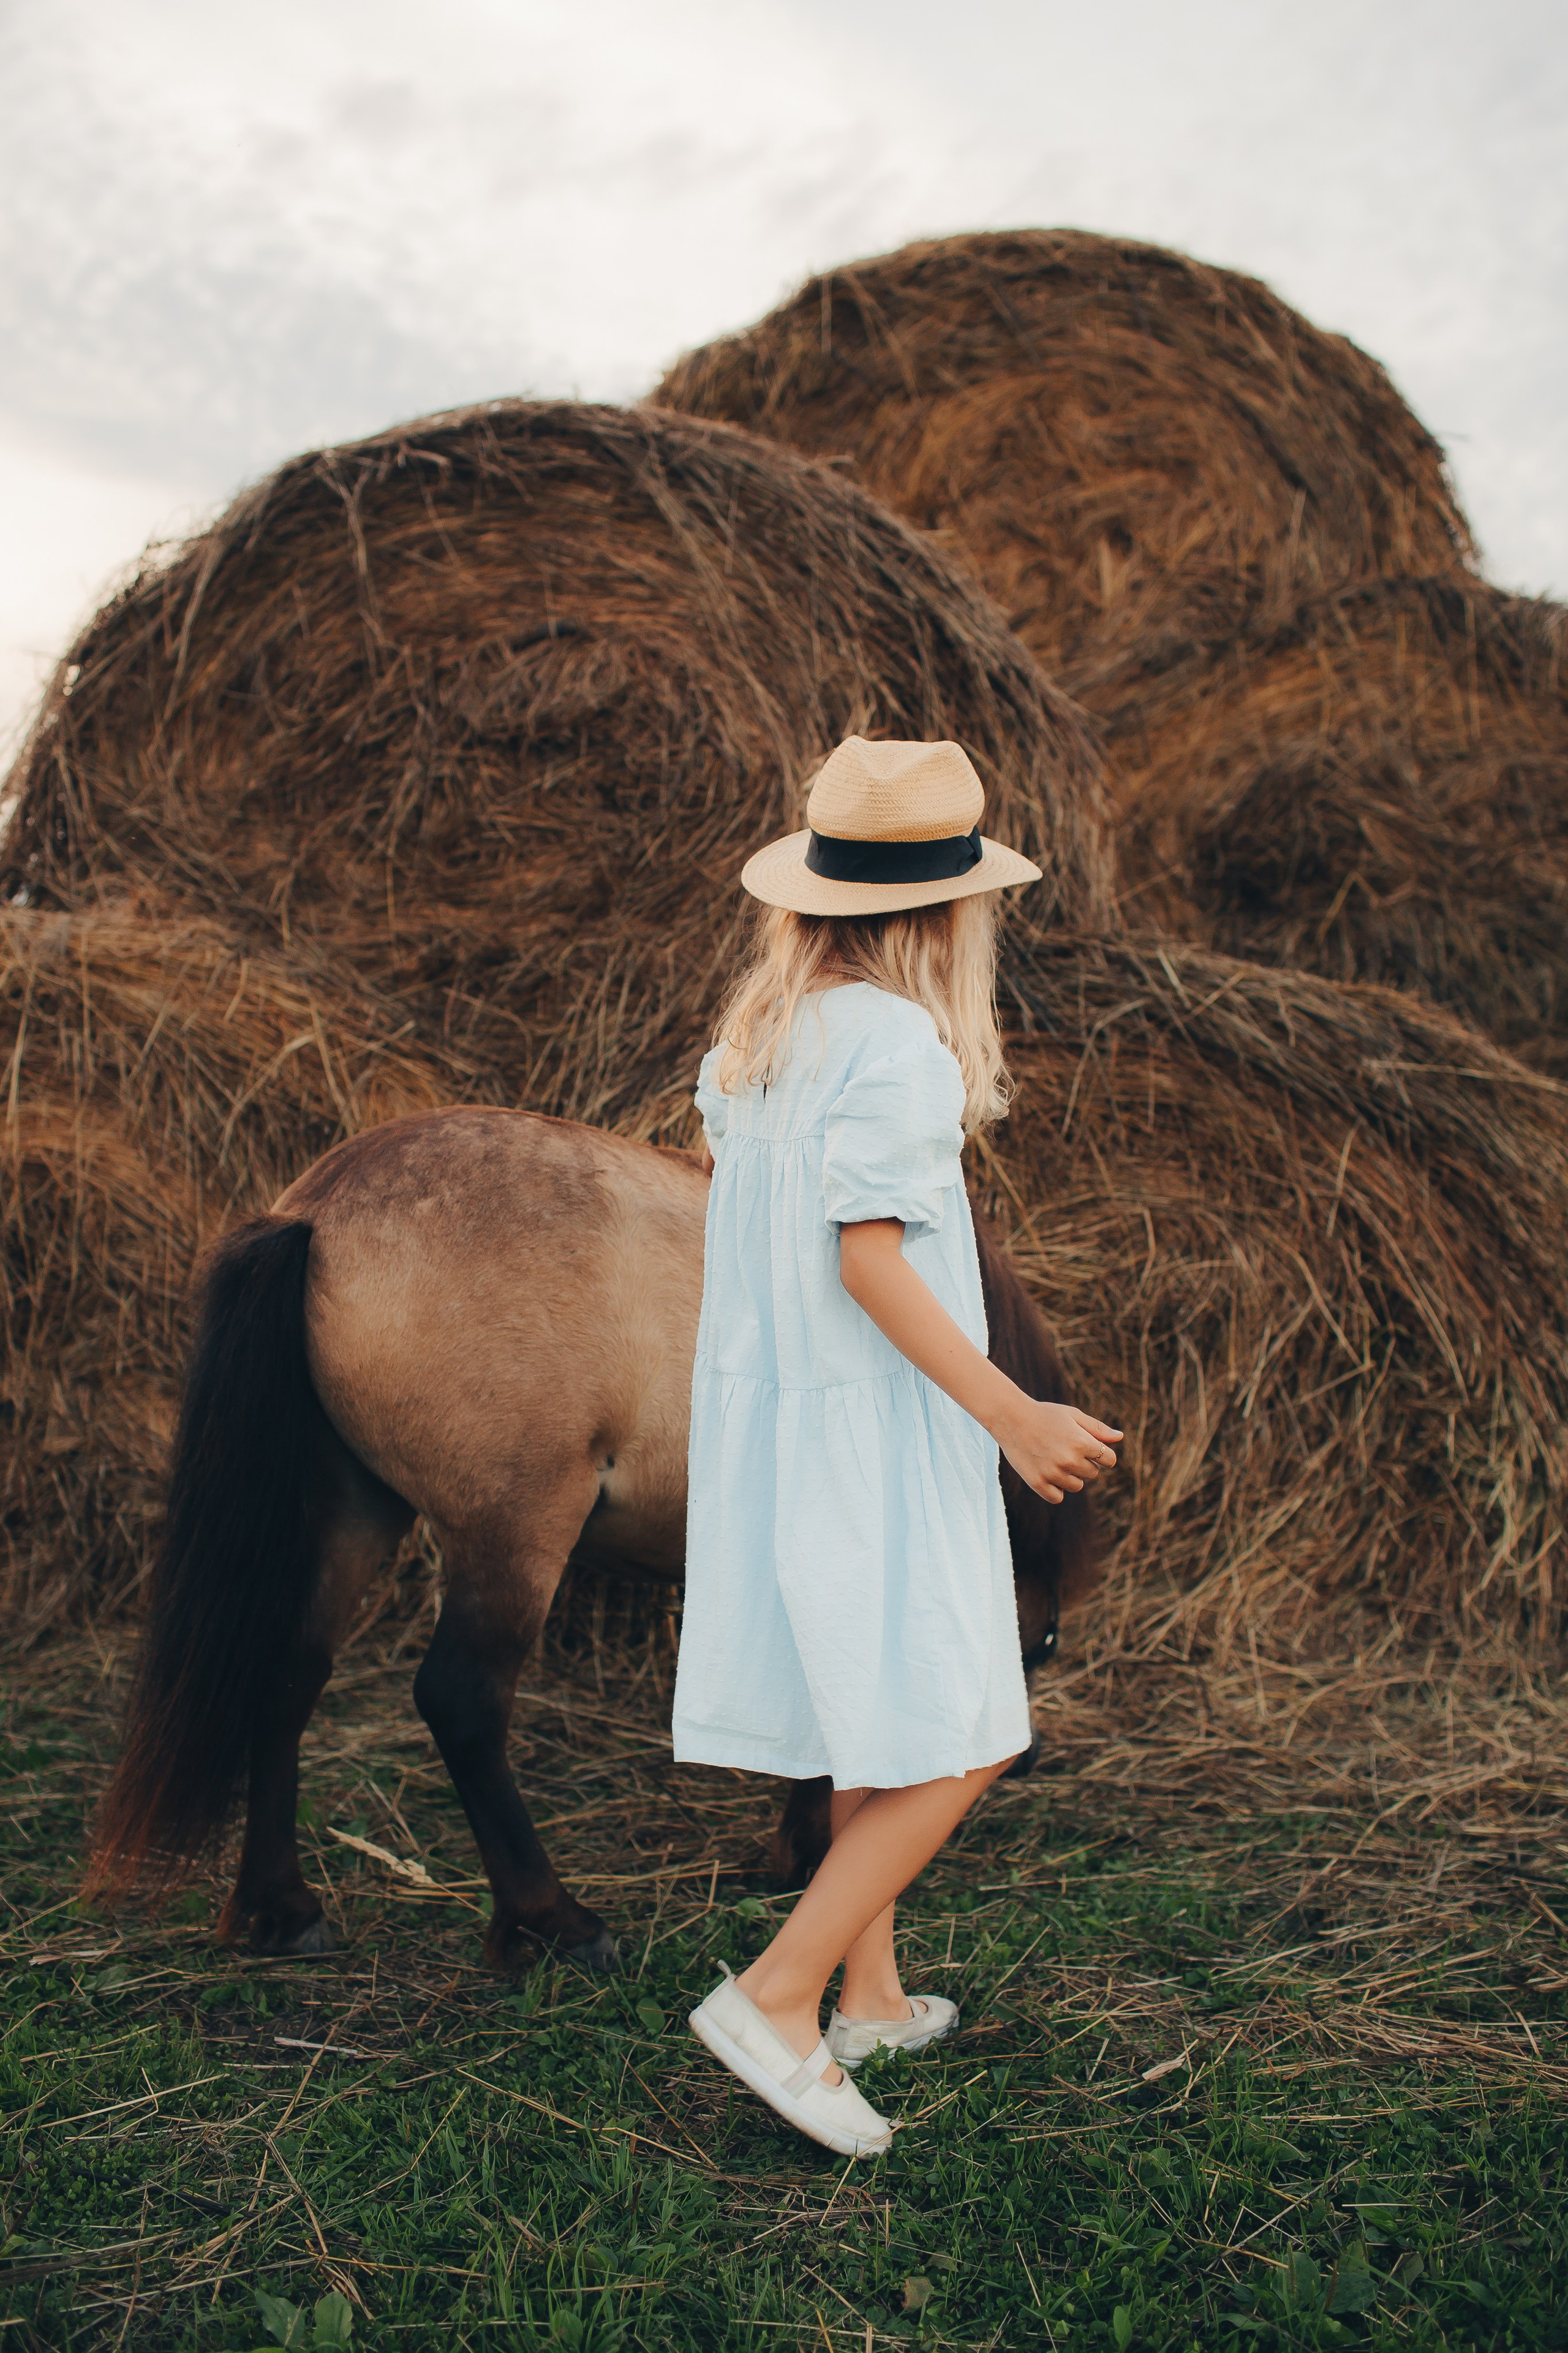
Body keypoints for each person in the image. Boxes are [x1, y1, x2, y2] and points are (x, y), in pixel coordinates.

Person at [673, 735, 1121, 2157]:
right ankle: (778, 1993)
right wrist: (1011, 1409)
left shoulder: (755, 1043)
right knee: (967, 1729)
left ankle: (868, 1992)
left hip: (787, 1427)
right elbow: (867, 1259)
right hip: (872, 1432)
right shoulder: (898, 1044)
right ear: (945, 911)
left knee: (876, 1713)